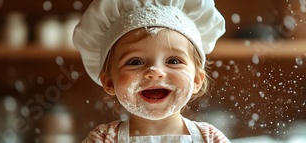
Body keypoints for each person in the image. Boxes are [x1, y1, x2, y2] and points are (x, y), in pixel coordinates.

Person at [73, 0, 228, 142]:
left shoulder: (211, 138)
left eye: (173, 61)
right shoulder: (103, 139)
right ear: (108, 82)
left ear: (196, 80)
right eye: (135, 62)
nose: (154, 71)